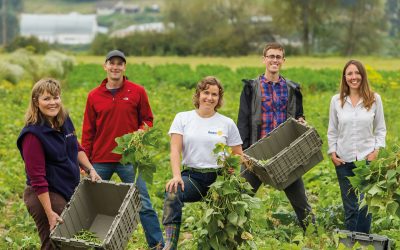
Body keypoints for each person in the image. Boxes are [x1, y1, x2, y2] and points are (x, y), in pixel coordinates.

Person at [81, 50, 164, 249]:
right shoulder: (94, 96)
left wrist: (140, 132)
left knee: (142, 201)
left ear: (124, 67)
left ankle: (158, 244)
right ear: (105, 66)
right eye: (112, 63)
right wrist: (85, 163)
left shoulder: (137, 91)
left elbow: (148, 120)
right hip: (100, 159)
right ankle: (90, 243)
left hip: (129, 158)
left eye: (119, 63)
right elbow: (88, 131)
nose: (115, 67)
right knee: (93, 203)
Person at [16, 78, 101, 250]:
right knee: (55, 243)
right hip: (45, 194)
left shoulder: (64, 120)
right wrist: (50, 213)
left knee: (71, 240)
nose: (52, 102)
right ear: (36, 102)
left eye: (56, 97)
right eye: (46, 99)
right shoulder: (32, 135)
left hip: (67, 189)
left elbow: (75, 146)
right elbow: (38, 179)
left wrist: (90, 168)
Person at [237, 42, 314, 230]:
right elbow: (243, 121)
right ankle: (233, 238)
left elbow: (299, 116)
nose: (274, 60)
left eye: (278, 57)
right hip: (256, 154)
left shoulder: (292, 89)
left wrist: (302, 121)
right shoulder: (251, 88)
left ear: (283, 61)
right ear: (264, 59)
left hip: (285, 155)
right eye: (271, 56)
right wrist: (243, 153)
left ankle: (314, 236)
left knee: (301, 204)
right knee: (240, 202)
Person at [162, 76, 243, 250]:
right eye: (206, 92)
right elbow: (175, 150)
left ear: (219, 99)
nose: (209, 97)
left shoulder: (227, 123)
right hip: (193, 177)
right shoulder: (183, 118)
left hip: (219, 179)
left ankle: (215, 244)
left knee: (219, 220)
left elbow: (238, 155)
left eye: (214, 94)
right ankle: (170, 244)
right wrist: (177, 176)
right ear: (198, 94)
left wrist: (230, 171)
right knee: (173, 192)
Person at [327, 59, 386, 233]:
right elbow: (332, 130)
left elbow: (381, 129)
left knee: (364, 205)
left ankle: (363, 241)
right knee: (351, 207)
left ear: (363, 75)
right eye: (349, 74)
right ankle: (351, 242)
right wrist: (333, 153)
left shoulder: (374, 99)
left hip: (366, 160)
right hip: (343, 161)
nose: (354, 77)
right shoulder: (336, 101)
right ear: (344, 77)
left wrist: (376, 151)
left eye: (357, 73)